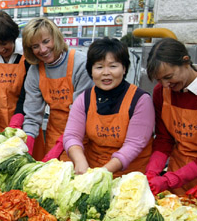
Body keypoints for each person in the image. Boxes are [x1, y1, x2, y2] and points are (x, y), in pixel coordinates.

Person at [63, 37, 154, 176]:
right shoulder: (84, 99)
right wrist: (80, 162)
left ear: (124, 68)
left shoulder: (140, 100)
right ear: (91, 71)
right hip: (92, 172)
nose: (106, 73)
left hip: (130, 177)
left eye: (113, 66)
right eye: (99, 67)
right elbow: (72, 136)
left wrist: (103, 173)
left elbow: (134, 145)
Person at [145, 38, 197, 197]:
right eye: (160, 79)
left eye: (168, 77)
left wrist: (169, 180)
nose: (165, 84)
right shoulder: (161, 92)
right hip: (176, 180)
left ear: (186, 61)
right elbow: (163, 139)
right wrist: (152, 172)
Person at [21, 17, 93, 162]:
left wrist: (62, 145)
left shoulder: (81, 64)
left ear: (56, 37)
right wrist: (26, 145)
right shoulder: (35, 72)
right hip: (55, 134)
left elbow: (80, 114)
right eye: (35, 46)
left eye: (46, 41)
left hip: (84, 137)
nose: (42, 50)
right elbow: (32, 116)